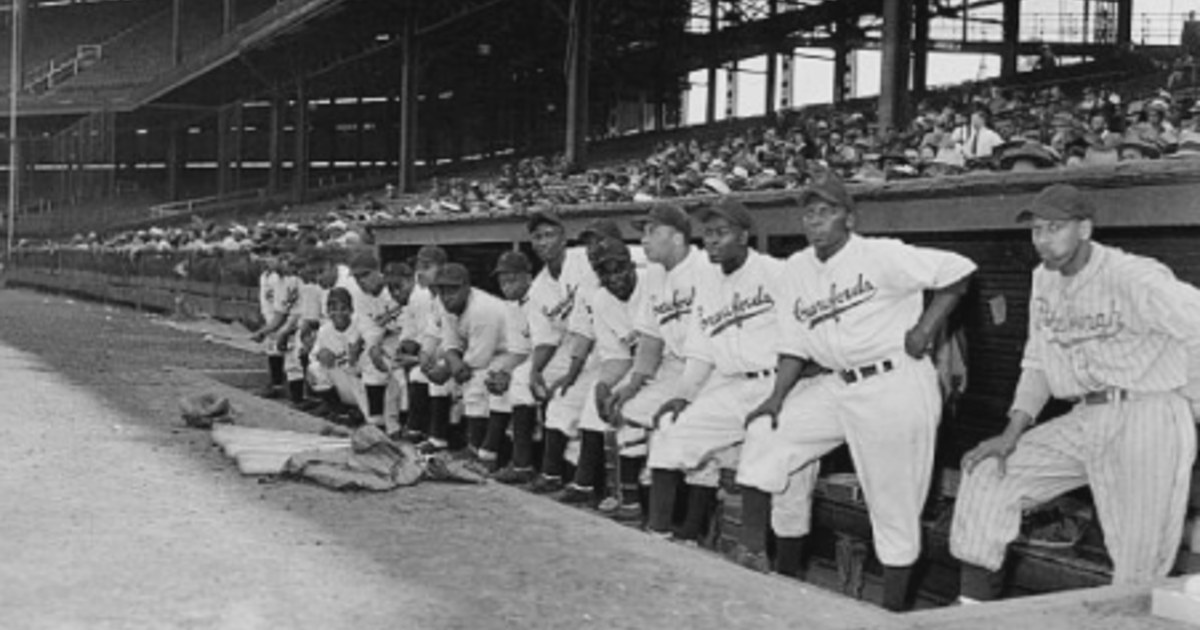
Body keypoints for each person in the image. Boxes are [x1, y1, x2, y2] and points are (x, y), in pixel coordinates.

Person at [950, 184, 1200, 602]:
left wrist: (1190, 409)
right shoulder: (1043, 278)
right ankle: (970, 612)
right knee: (989, 476)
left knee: (1138, 562)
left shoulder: (1134, 275)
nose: (1043, 239)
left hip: (1147, 414)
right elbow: (1037, 361)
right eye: (1036, 230)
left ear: (1084, 228)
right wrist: (1011, 433)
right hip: (1088, 415)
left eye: (1055, 228)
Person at [738, 175, 975, 611]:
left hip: (894, 382)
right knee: (767, 434)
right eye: (808, 213)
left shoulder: (881, 253)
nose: (815, 221)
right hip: (837, 383)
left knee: (894, 504)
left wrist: (926, 329)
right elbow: (792, 344)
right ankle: (760, 557)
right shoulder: (796, 268)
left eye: (826, 211)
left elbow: (958, 270)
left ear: (849, 217)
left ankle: (893, 613)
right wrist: (775, 397)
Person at [644, 197, 785, 545]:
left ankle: (763, 560)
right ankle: (657, 536)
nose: (712, 240)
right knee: (668, 436)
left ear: (744, 235)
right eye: (707, 233)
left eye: (722, 232)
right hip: (730, 385)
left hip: (777, 385)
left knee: (784, 497)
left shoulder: (777, 272)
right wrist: (682, 396)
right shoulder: (707, 282)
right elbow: (700, 351)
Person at [606, 205, 717, 522]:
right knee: (628, 416)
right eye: (643, 232)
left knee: (697, 446)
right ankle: (640, 512)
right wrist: (633, 383)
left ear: (678, 237)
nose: (644, 240)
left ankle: (690, 532)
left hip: (713, 368)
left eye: (652, 231)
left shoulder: (707, 267)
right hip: (673, 365)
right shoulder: (653, 275)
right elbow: (651, 338)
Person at [558, 235, 648, 509]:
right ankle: (594, 486)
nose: (614, 277)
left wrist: (628, 385)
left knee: (631, 412)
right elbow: (617, 357)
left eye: (618, 268)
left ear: (632, 266)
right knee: (595, 405)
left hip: (674, 365)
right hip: (636, 365)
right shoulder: (600, 299)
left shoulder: (653, 285)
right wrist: (603, 385)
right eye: (604, 271)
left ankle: (633, 502)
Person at [525, 210, 603, 494]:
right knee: (559, 401)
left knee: (591, 408)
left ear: (563, 237)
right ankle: (552, 474)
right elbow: (546, 338)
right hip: (576, 348)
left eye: (549, 234)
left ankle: (585, 484)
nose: (544, 242)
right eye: (537, 237)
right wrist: (535, 371)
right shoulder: (537, 289)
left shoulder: (586, 258)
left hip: (608, 343)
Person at [430, 263, 524, 467]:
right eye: (442, 289)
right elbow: (450, 341)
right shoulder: (443, 304)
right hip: (483, 352)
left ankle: (484, 452)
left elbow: (479, 359)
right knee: (446, 377)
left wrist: (450, 368)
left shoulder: (482, 309)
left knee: (479, 380)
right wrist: (451, 362)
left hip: (512, 352)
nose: (447, 296)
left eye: (453, 289)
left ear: (466, 288)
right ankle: (453, 442)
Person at [484, 251, 538, 477]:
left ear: (528, 276)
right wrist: (503, 371)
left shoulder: (540, 296)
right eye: (503, 280)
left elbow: (545, 345)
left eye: (512, 278)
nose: (507, 285)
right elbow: (519, 351)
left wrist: (513, 372)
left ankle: (522, 464)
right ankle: (491, 454)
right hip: (535, 358)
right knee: (495, 374)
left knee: (519, 382)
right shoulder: (512, 306)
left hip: (561, 356)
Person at [307, 287, 366, 421]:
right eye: (333, 309)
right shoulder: (324, 331)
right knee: (315, 369)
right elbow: (313, 358)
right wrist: (320, 354)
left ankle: (364, 412)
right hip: (342, 384)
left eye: (343, 308)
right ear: (328, 311)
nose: (338, 313)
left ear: (351, 310)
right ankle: (338, 410)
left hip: (362, 382)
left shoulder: (361, 326)